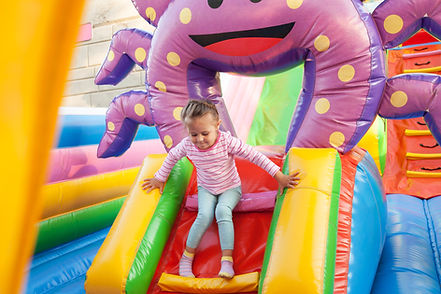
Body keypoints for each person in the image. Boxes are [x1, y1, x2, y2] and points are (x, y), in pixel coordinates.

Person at [142, 99, 300, 279]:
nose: (200, 139)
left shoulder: (227, 142)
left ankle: (227, 261)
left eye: (204, 133)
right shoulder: (187, 145)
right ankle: (186, 258)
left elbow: (255, 156)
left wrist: (279, 176)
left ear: (217, 126)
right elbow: (172, 157)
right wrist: (159, 178)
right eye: (194, 134)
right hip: (206, 188)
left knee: (222, 211)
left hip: (230, 188)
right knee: (204, 216)